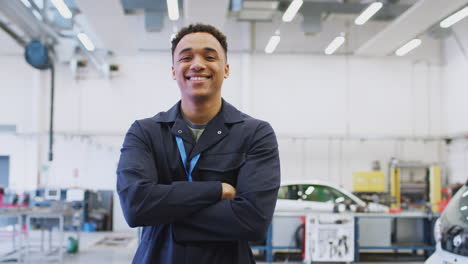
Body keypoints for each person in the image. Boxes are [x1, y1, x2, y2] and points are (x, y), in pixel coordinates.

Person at [117, 23, 281, 264]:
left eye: (209, 56)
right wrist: (217, 190)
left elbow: (253, 221)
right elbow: (135, 205)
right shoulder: (145, 132)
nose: (197, 64)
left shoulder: (255, 133)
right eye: (186, 57)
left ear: (225, 69)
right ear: (174, 70)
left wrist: (166, 213)